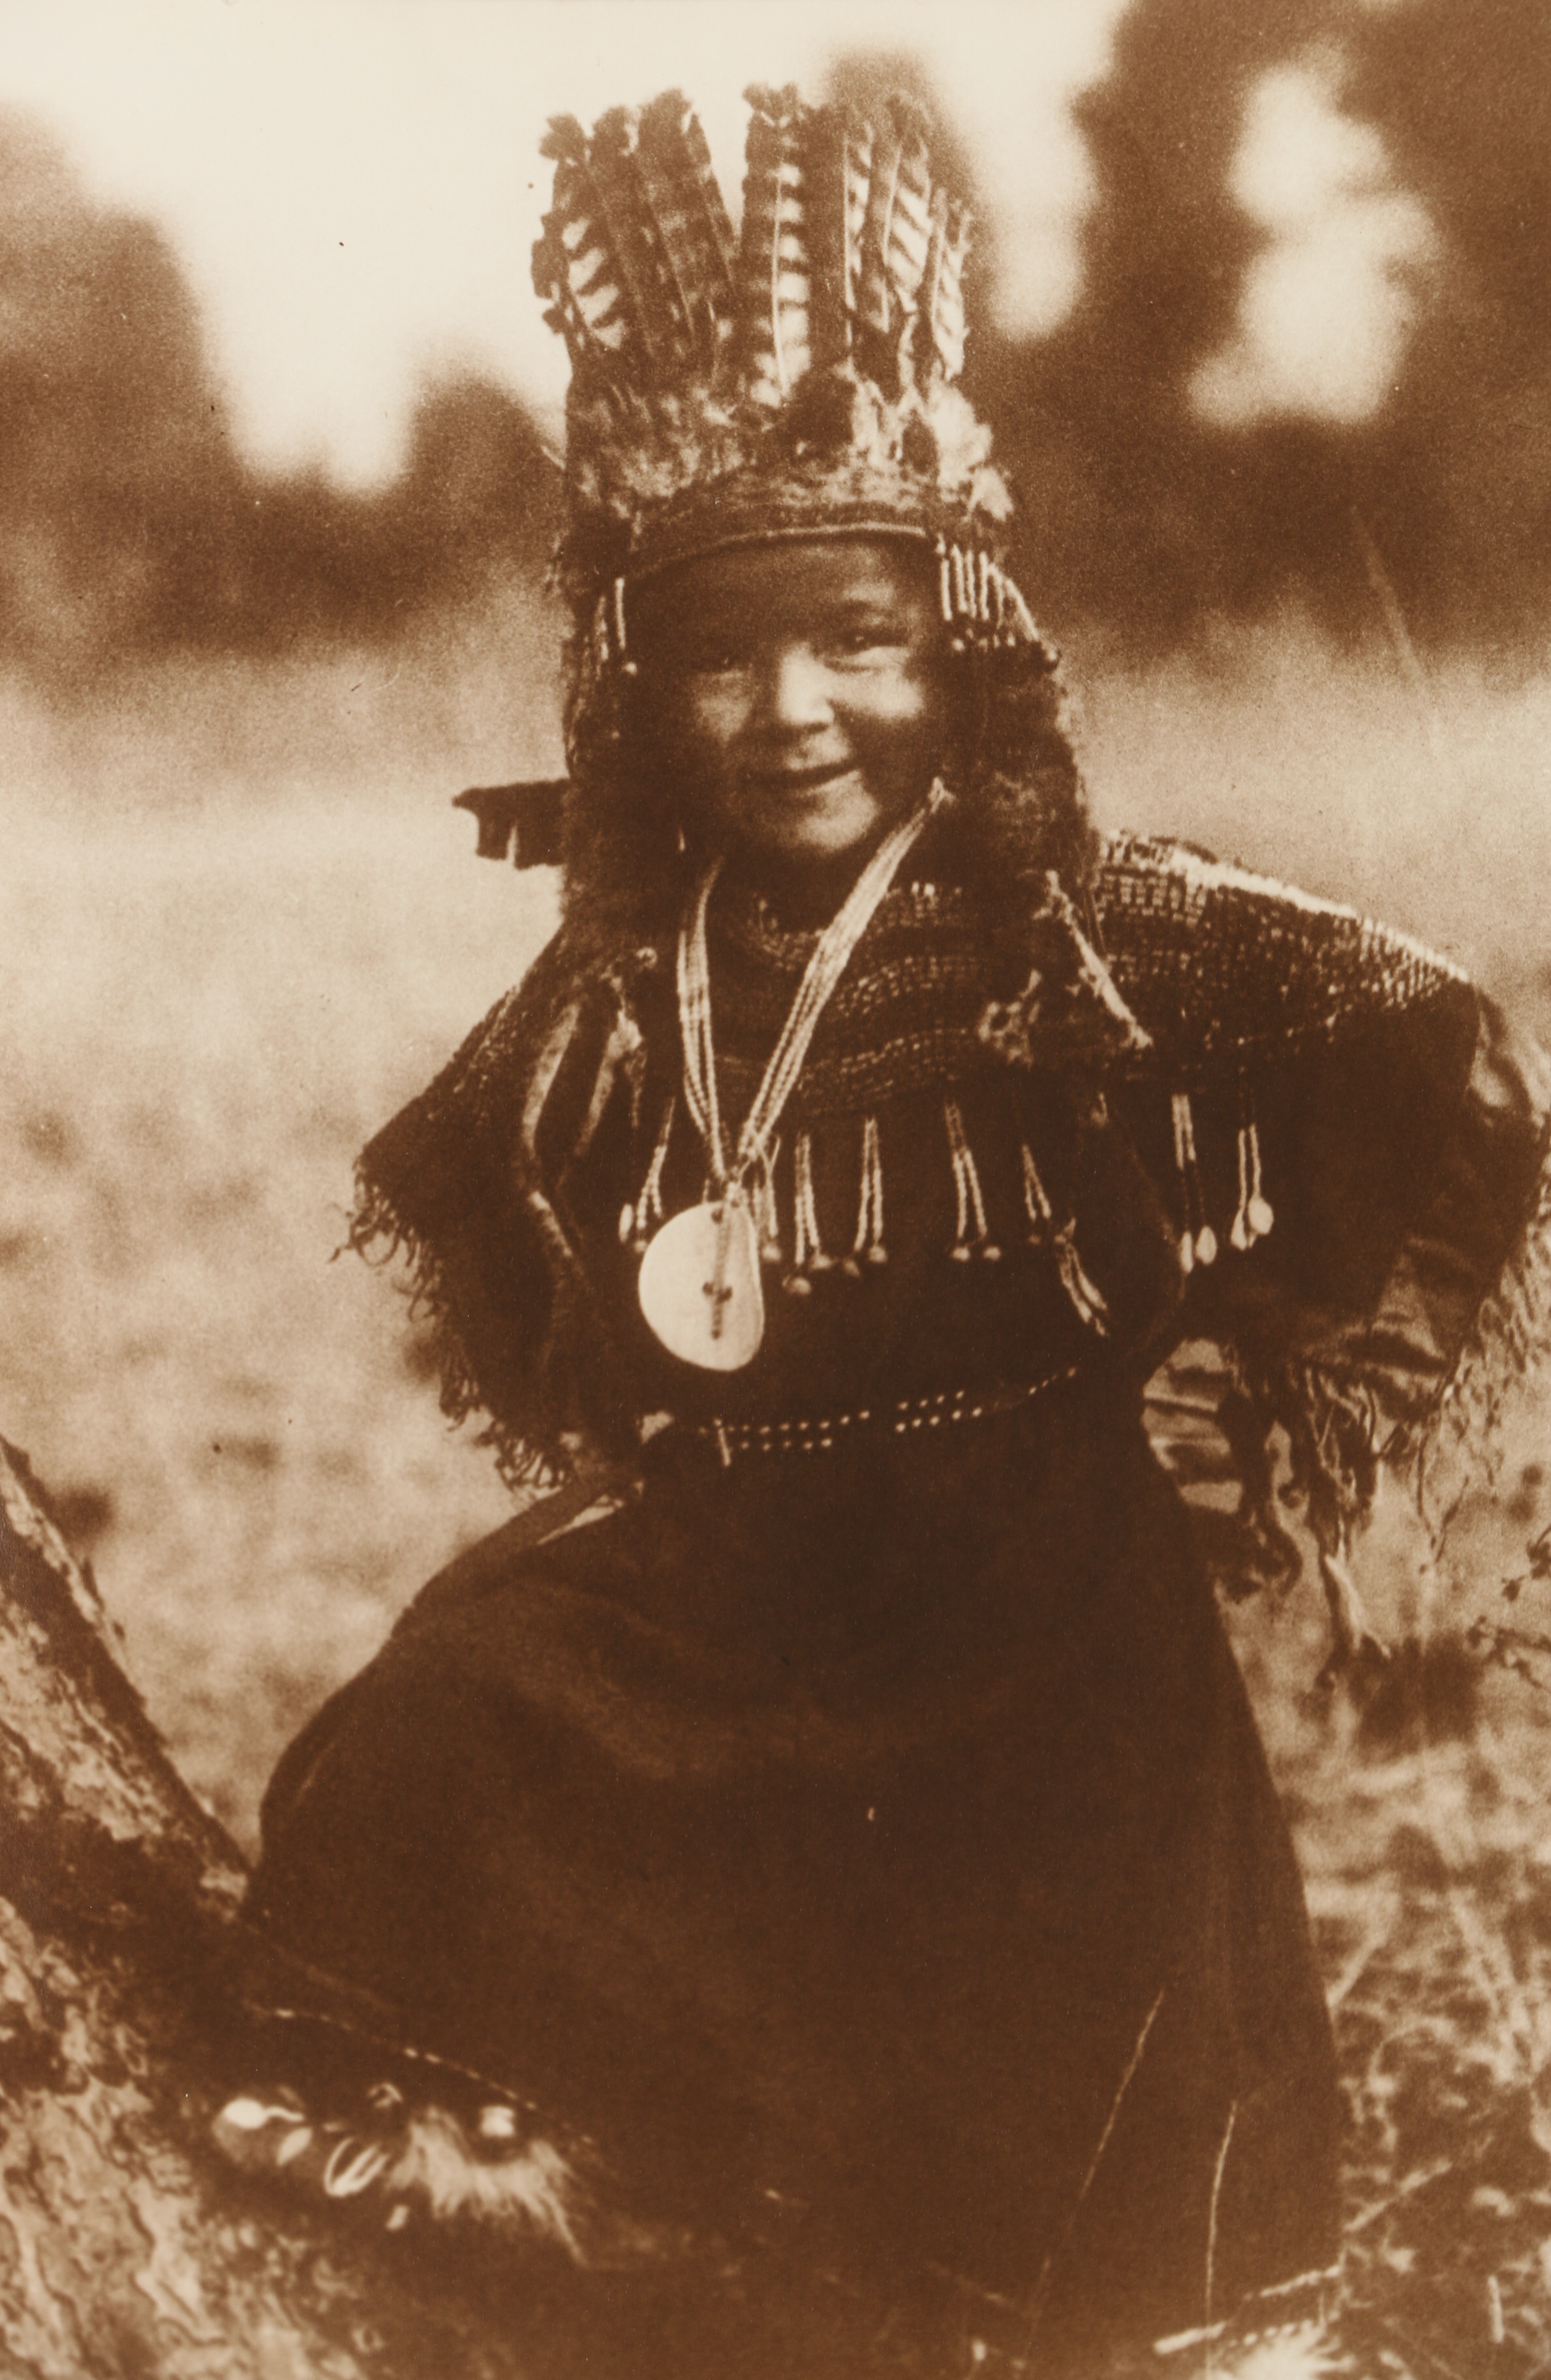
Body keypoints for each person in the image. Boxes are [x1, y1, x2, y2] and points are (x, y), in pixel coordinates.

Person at [226, 85, 1550, 2373]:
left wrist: (1265, 1366)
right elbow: (474, 1193)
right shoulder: (623, 980)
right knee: (443, 1716)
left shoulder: (1099, 926)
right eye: (721, 660)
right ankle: (592, 2184)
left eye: (856, 640)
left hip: (1042, 1598)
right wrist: (622, 1396)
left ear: (962, 642)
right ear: (641, 692)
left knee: (1046, 2093)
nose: (794, 713)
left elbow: (1450, 1074)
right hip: (738, 1570)